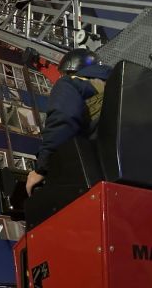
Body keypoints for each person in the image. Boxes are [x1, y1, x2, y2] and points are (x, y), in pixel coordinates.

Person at [26, 48, 112, 196]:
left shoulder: (69, 83)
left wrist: (42, 168)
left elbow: (62, 119)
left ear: (69, 70)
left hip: (104, 170)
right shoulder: (119, 83)